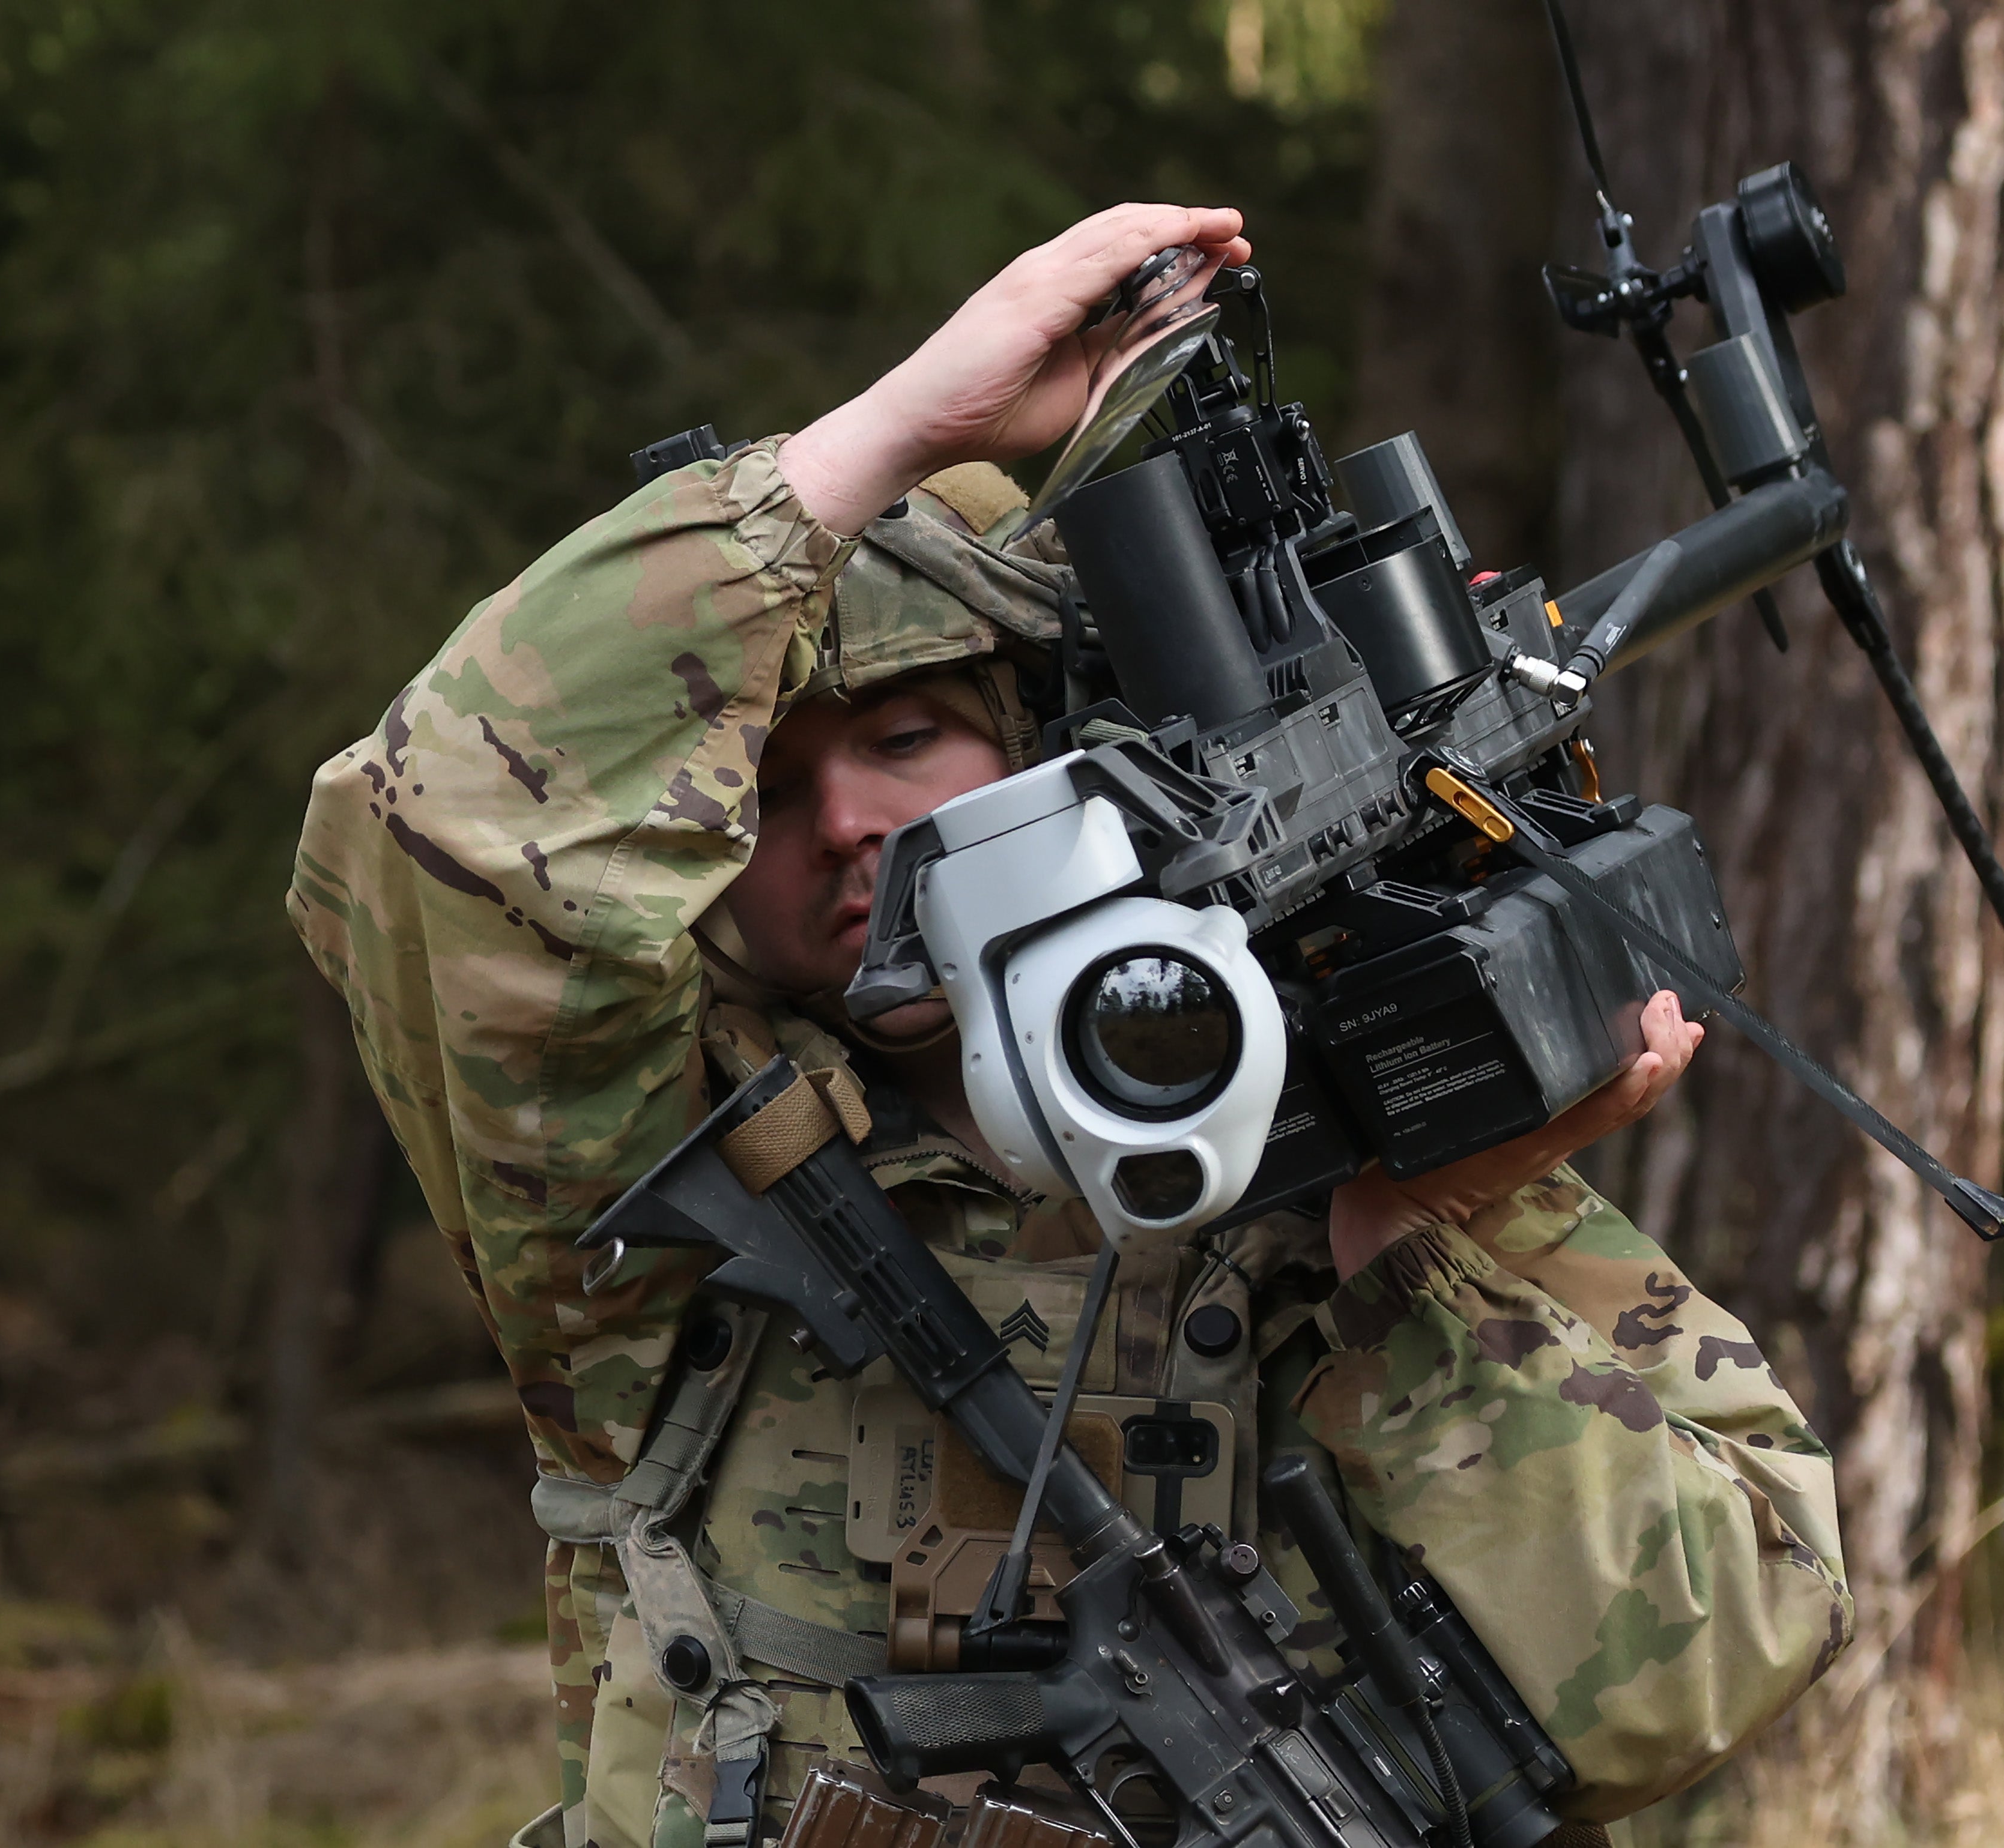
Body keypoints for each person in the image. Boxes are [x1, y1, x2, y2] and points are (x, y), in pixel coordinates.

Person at [290, 203, 1851, 1848]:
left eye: (905, 737)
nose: (841, 826)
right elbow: (443, 827)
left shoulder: (1330, 1103)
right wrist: (890, 435)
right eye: (758, 793)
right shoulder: (643, 1175)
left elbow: (1711, 1666)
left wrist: (1393, 1261)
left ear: (1048, 744)